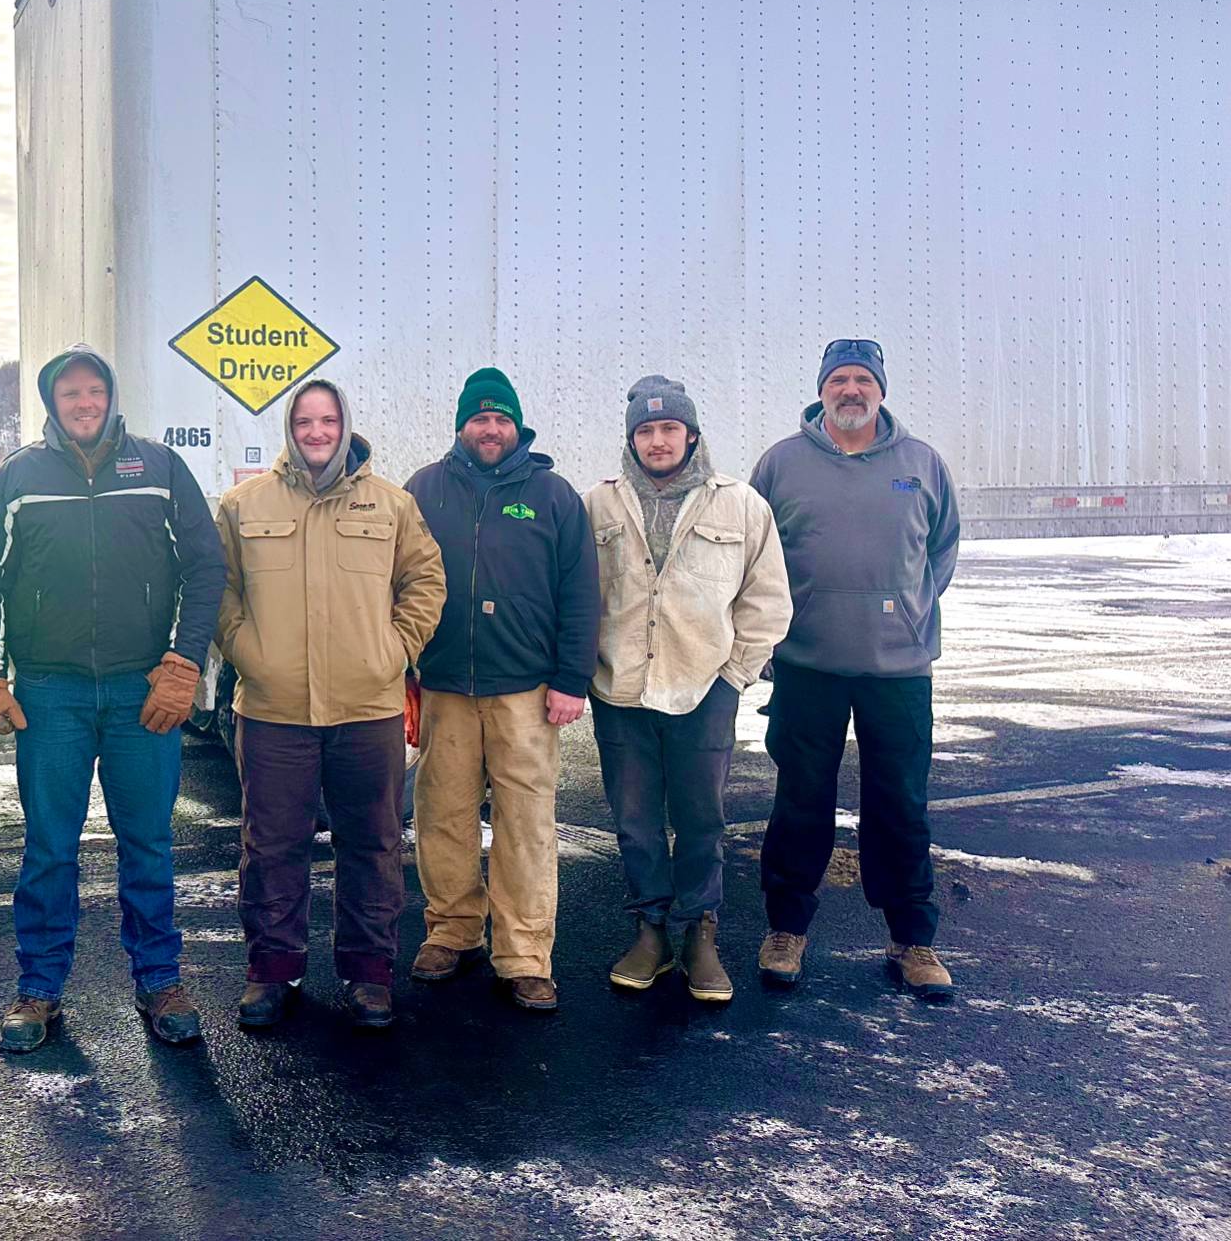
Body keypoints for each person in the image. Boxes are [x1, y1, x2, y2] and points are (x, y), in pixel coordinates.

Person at [0, 344, 226, 1052]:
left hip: (145, 690)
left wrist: (182, 662)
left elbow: (205, 568)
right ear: (53, 403)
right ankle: (39, 989)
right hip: (52, 694)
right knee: (49, 845)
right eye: (69, 393)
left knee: (147, 840)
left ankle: (159, 979)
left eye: (93, 391)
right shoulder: (18, 476)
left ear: (110, 396)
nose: (83, 403)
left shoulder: (159, 468)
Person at [215, 378, 445, 1031]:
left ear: (345, 425)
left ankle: (369, 974)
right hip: (271, 709)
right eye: (305, 420)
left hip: (366, 707)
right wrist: (246, 649)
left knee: (370, 842)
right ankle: (271, 969)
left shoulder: (390, 505)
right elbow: (219, 590)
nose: (316, 431)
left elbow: (424, 580)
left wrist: (392, 650)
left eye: (327, 419)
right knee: (271, 845)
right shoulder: (243, 504)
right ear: (289, 428)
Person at [750, 340, 961, 1002]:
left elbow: (941, 550)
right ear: (820, 390)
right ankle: (785, 928)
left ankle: (911, 938)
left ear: (879, 390)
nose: (849, 389)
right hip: (805, 663)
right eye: (837, 379)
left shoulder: (921, 463)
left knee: (899, 803)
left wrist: (905, 613)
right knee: (799, 800)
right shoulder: (781, 463)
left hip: (897, 670)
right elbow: (753, 555)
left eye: (861, 379)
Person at [585, 376, 791, 1003]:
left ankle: (700, 931)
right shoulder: (597, 504)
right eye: (645, 431)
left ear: (692, 434)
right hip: (620, 690)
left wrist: (734, 675)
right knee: (636, 822)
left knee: (702, 819)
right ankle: (651, 930)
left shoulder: (741, 505)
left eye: (669, 428)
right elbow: (575, 595)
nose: (657, 441)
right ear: (631, 440)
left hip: (704, 688)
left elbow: (767, 597)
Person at [404, 367, 599, 1012]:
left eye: (501, 419)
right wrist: (404, 666)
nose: (491, 429)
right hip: (445, 686)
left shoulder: (552, 495)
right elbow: (396, 585)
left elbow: (580, 595)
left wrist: (571, 679)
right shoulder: (424, 491)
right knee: (442, 813)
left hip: (525, 690)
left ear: (517, 426)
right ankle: (452, 930)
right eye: (479, 418)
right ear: (461, 425)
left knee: (525, 823)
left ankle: (523, 954)